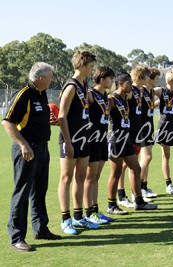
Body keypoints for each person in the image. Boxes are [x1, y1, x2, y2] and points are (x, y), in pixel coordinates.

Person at [3, 62, 61, 252]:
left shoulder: (41, 94)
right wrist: (23, 144)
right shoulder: (24, 94)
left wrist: (49, 122)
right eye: (50, 76)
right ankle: (17, 237)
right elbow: (7, 122)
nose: (52, 80)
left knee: (39, 191)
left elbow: (34, 119)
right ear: (41, 78)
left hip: (43, 148)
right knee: (22, 192)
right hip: (27, 149)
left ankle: (41, 229)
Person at [58, 50, 99, 235]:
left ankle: (78, 216)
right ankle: (65, 220)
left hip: (85, 137)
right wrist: (68, 142)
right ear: (82, 66)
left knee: (81, 177)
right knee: (66, 178)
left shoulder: (84, 84)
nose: (92, 70)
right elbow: (61, 116)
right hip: (71, 139)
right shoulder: (71, 86)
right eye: (90, 67)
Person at [107, 73, 157, 214]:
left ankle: (139, 201)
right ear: (122, 83)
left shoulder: (125, 98)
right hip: (116, 139)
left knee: (136, 168)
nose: (132, 85)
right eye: (129, 82)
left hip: (127, 139)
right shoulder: (112, 99)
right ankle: (112, 205)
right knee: (115, 173)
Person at [83, 65, 115, 224]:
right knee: (90, 177)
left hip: (103, 138)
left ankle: (95, 210)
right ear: (102, 79)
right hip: (93, 139)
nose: (112, 82)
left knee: (96, 177)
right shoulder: (91, 94)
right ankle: (88, 212)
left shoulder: (106, 97)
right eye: (110, 79)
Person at [117, 66, 151, 208]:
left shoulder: (140, 91)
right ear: (140, 77)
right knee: (123, 166)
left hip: (137, 131)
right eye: (147, 76)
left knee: (131, 165)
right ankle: (121, 195)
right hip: (128, 132)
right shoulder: (130, 91)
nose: (149, 79)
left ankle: (135, 194)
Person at [138, 68, 161, 199]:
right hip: (142, 128)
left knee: (147, 158)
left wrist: (158, 102)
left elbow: (149, 106)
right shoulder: (141, 91)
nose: (158, 81)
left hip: (149, 126)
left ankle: (144, 186)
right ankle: (139, 188)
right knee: (146, 157)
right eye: (156, 79)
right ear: (149, 79)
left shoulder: (151, 91)